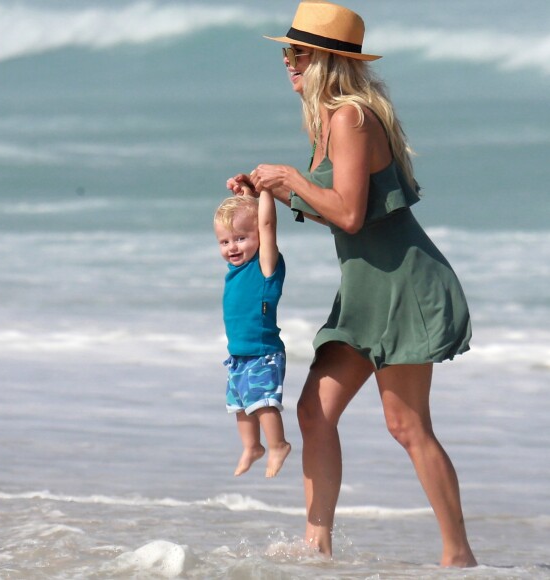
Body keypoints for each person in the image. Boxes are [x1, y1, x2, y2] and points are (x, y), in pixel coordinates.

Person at [226, 0, 478, 567]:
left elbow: (349, 215)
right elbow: (333, 206)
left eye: (299, 53)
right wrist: (268, 191)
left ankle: (459, 558)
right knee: (315, 412)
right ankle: (317, 550)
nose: (289, 63)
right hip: (364, 291)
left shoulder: (351, 117)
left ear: (327, 61)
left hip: (405, 286)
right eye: (287, 52)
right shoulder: (328, 120)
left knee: (407, 425)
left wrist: (290, 176)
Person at [214, 188, 291, 478]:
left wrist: (265, 192)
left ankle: (278, 444)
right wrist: (247, 195)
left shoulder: (265, 266)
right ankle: (252, 447)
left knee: (262, 401)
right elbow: (247, 220)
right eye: (225, 241)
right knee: (240, 404)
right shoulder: (235, 268)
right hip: (238, 355)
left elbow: (267, 225)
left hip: (263, 352)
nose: (232, 247)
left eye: (240, 239)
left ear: (258, 236)